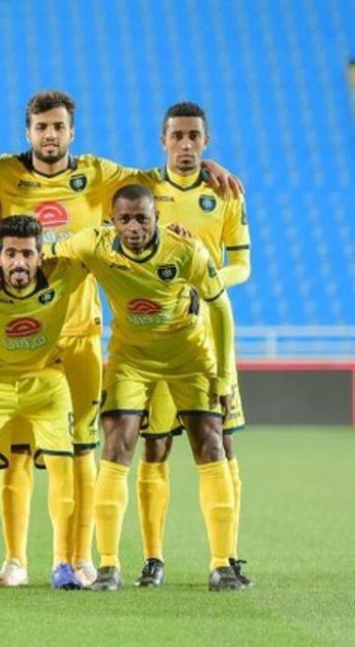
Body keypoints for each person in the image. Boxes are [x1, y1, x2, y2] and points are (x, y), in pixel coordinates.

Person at [0, 89, 242, 588]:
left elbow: (155, 182)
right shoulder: (2, 174)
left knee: (82, 448)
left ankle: (78, 557)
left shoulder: (98, 173)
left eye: (58, 127)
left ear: (71, 132)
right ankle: (14, 561)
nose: (50, 135)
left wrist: (203, 166)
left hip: (79, 332)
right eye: (41, 127)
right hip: (18, 333)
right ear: (28, 132)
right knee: (18, 453)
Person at [54, 183, 242, 592]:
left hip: (189, 356)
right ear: (112, 221)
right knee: (117, 444)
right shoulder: (94, 245)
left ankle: (221, 564)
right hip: (131, 359)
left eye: (142, 218)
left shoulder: (185, 251)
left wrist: (222, 375)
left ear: (157, 217)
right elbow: (48, 256)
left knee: (211, 444)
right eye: (125, 219)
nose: (134, 227)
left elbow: (220, 307)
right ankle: (108, 566)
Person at [133, 102, 253, 588]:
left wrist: (209, 284)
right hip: (158, 338)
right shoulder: (141, 188)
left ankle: (227, 556)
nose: (185, 145)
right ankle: (152, 558)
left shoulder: (225, 193)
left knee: (221, 443)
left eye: (194, 137)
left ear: (207, 141)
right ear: (162, 141)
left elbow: (242, 264)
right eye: (177, 136)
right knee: (155, 445)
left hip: (208, 337)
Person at [0, 215, 86, 590]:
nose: (19, 262)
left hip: (45, 383)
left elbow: (111, 246)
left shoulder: (64, 273)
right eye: (10, 254)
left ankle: (63, 565)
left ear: (42, 256)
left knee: (62, 467)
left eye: (27, 254)